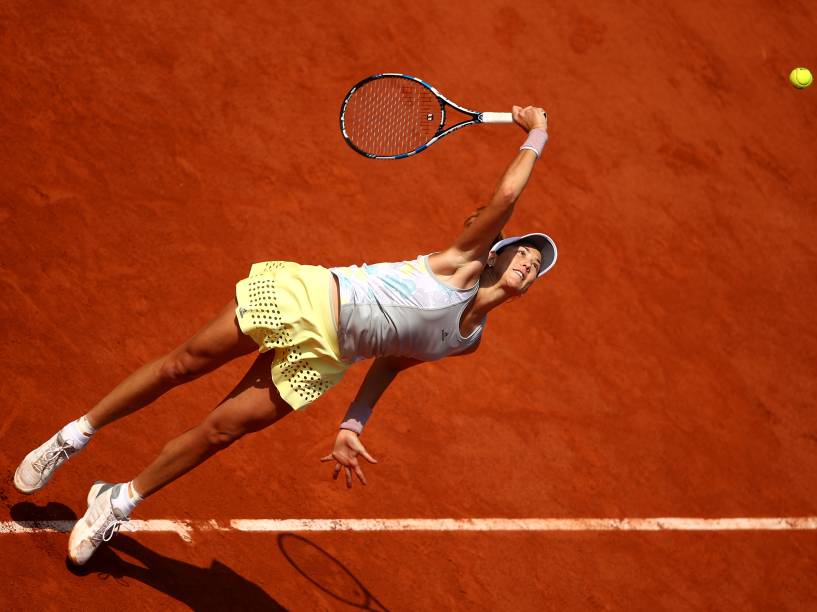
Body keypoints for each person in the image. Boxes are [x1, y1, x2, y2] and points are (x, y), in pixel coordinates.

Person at [13, 105, 556, 565]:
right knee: (184, 364)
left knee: (221, 432)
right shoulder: (461, 263)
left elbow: (392, 360)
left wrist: (352, 421)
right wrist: (536, 131)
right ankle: (72, 437)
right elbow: (505, 198)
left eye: (537, 266)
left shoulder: (468, 338)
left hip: (327, 358)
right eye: (524, 252)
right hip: (306, 297)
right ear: (496, 254)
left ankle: (116, 502)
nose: (528, 263)